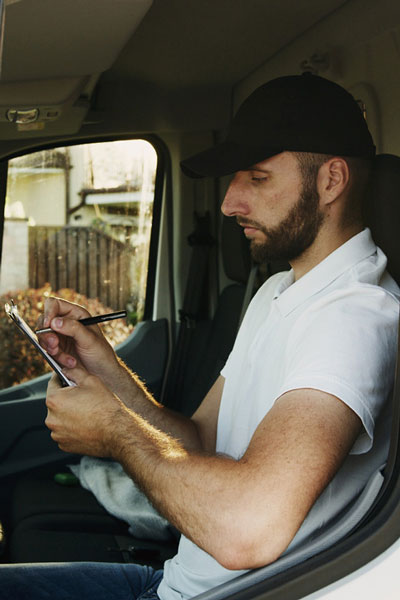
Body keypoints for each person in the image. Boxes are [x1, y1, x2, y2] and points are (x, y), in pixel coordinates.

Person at [1, 73, 399, 600]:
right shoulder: (280, 291)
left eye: (257, 178)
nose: (231, 202)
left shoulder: (355, 318)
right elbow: (199, 442)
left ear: (331, 181)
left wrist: (116, 432)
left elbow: (248, 530)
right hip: (174, 581)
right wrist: (103, 369)